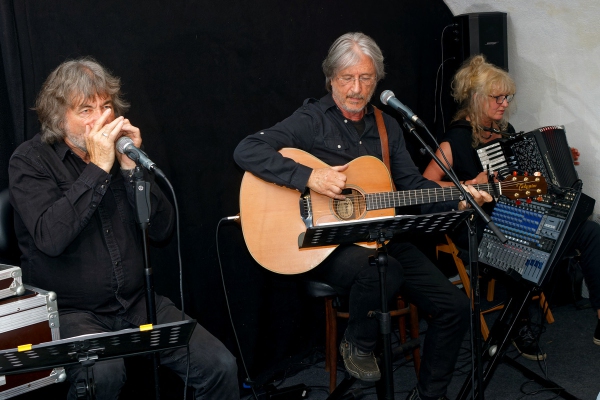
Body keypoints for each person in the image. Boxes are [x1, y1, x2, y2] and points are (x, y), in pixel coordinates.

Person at [234, 32, 491, 400]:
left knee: (455, 307)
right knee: (382, 269)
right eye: (347, 78)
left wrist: (459, 199)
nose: (356, 89)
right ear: (331, 78)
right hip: (325, 243)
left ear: (377, 80)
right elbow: (248, 150)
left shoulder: (387, 126)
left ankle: (429, 396)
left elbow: (412, 187)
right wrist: (309, 177)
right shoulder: (311, 120)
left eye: (366, 78)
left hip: (380, 236)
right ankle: (357, 343)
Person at [8, 57, 239, 399]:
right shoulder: (30, 161)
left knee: (220, 365)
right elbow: (50, 237)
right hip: (71, 313)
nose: (102, 119)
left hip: (136, 303)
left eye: (106, 107)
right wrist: (99, 168)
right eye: (86, 110)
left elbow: (161, 230)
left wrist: (132, 170)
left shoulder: (121, 154)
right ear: (59, 117)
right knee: (105, 374)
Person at [422, 54, 600, 356]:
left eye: (507, 97)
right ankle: (518, 324)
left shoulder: (505, 131)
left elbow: (522, 180)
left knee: (591, 231)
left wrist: (554, 159)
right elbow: (425, 185)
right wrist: (469, 184)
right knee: (522, 246)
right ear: (476, 98)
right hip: (479, 223)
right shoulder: (455, 140)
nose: (504, 104)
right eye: (498, 97)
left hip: (518, 215)